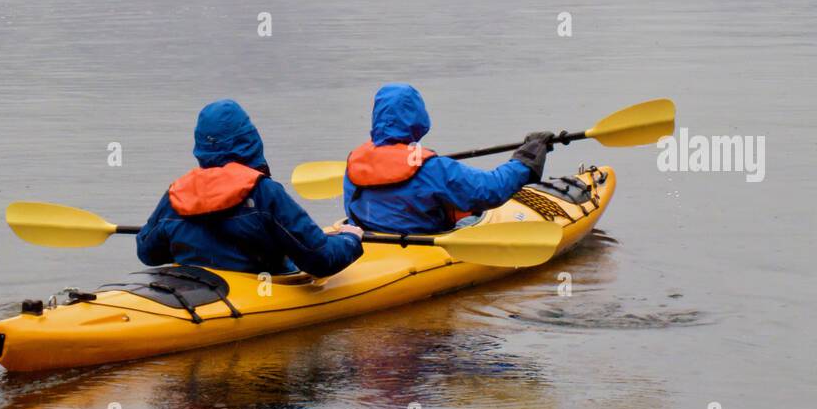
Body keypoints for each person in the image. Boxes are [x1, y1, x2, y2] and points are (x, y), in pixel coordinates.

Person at [137, 99, 364, 277]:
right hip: (259, 290)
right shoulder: (264, 192)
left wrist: (193, 242)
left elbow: (148, 253)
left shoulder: (178, 192)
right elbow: (320, 261)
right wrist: (349, 240)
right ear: (250, 139)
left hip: (194, 289)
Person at [343, 83, 553, 235]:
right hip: (421, 245)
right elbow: (490, 190)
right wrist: (527, 156)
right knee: (474, 213)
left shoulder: (355, 160)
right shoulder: (430, 167)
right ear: (418, 117)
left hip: (371, 240)